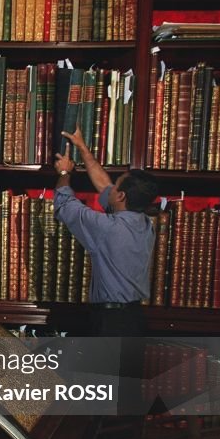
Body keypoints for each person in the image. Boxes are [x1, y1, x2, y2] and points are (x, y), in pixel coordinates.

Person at [53, 126, 159, 337]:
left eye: (117, 187)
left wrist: (65, 173)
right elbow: (104, 185)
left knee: (99, 371)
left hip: (111, 323)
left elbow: (64, 204)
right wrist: (82, 147)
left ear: (121, 197)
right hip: (135, 319)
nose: (111, 188)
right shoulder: (145, 223)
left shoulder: (107, 228)